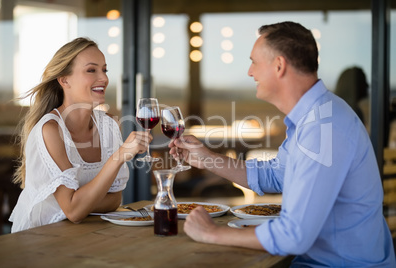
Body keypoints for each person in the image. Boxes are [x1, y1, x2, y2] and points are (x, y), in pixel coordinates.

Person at [169, 22, 395, 267]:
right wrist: (206, 158)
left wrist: (211, 233)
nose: (249, 72)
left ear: (279, 66)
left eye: (254, 61)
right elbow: (276, 175)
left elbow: (293, 236)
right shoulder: (315, 117)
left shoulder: (322, 129)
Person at [9, 37, 151, 232]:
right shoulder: (51, 130)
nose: (104, 78)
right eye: (91, 70)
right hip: (39, 239)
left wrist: (79, 203)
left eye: (104, 70)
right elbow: (74, 213)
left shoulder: (108, 125)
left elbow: (115, 199)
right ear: (64, 79)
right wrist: (118, 157)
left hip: (82, 233)